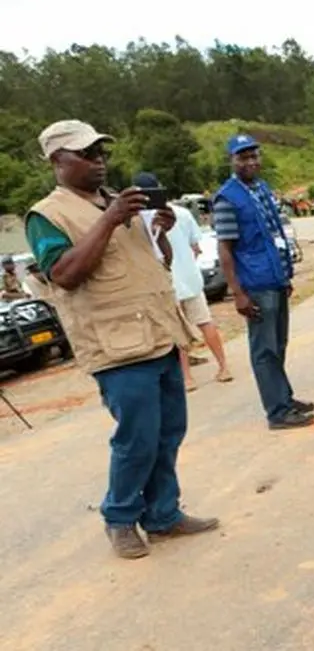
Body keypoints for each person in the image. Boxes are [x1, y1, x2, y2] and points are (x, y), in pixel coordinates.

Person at [24, 119, 218, 558]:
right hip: (117, 346)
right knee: (137, 437)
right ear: (57, 160)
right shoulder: (46, 216)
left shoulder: (119, 203)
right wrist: (110, 221)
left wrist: (160, 232)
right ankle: (120, 517)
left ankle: (163, 514)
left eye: (101, 153)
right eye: (87, 155)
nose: (99, 162)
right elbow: (65, 275)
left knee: (169, 431)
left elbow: (155, 262)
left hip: (160, 332)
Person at [212, 134, 314, 428]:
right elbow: (226, 249)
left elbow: (274, 235)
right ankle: (277, 412)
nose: (251, 162)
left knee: (278, 344)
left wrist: (285, 275)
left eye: (254, 155)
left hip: (275, 278)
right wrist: (238, 293)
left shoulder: (262, 188)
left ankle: (283, 397)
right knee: (264, 349)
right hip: (255, 283)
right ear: (232, 160)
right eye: (243, 157)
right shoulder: (227, 198)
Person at [133, 172, 233, 391]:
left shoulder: (139, 221)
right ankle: (224, 367)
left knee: (178, 333)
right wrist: (187, 263)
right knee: (205, 322)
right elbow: (196, 247)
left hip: (166, 284)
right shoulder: (181, 213)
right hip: (191, 279)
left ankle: (187, 378)